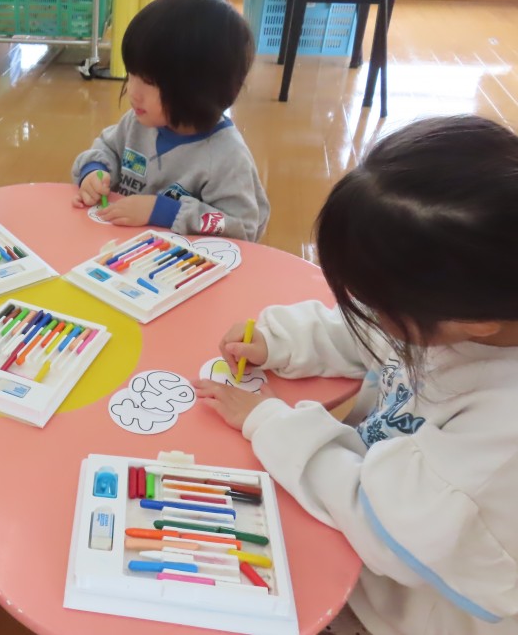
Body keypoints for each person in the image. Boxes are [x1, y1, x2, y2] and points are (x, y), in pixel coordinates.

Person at [196, 115, 518, 635]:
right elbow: (367, 330)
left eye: (382, 302)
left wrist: (269, 422)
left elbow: (380, 521)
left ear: (472, 321)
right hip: (359, 516)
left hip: (398, 606)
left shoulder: (500, 438)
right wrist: (279, 340)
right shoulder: (471, 308)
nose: (367, 310)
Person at [72, 0, 268, 241]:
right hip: (123, 248)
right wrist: (94, 171)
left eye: (149, 82)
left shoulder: (226, 156)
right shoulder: (138, 122)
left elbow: (241, 227)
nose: (133, 92)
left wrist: (164, 212)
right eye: (131, 74)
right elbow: (107, 147)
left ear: (197, 90)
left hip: (181, 261)